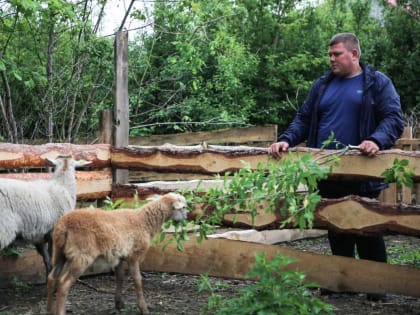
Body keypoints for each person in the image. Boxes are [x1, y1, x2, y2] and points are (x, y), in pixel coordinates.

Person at [268, 33, 404, 301]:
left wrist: (376, 139)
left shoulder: (376, 83)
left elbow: (393, 118)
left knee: (365, 226)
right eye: (329, 54)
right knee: (335, 225)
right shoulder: (322, 85)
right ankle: (344, 281)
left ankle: (377, 285)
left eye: (337, 54)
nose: (331, 59)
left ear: (354, 54)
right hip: (325, 170)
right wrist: (285, 139)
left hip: (362, 169)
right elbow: (303, 119)